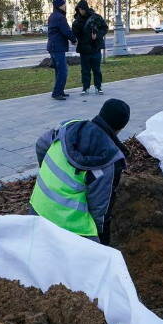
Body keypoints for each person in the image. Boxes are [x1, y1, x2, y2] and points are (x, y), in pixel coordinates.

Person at [29, 99, 131, 245]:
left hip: (37, 209)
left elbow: (41, 145)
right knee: (93, 262)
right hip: (71, 229)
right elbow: (99, 209)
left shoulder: (68, 128)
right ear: (120, 128)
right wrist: (102, 243)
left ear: (100, 113)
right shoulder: (109, 161)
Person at [72, 0, 108, 95]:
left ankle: (98, 87)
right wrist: (74, 39)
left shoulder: (96, 18)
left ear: (86, 9)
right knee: (85, 70)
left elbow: (105, 28)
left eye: (82, 9)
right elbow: (75, 34)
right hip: (84, 50)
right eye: (79, 9)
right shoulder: (77, 22)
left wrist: (97, 35)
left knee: (97, 70)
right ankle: (85, 88)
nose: (81, 11)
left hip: (95, 48)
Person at [46, 0, 78, 100]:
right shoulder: (60, 17)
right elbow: (66, 31)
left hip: (53, 47)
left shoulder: (52, 16)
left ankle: (60, 91)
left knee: (59, 71)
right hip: (57, 47)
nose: (65, 6)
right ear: (59, 5)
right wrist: (74, 40)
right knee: (63, 71)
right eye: (64, 4)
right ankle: (56, 93)